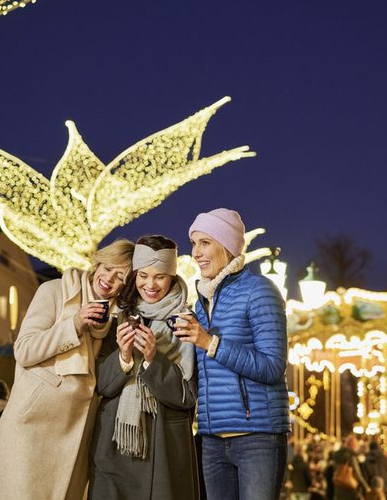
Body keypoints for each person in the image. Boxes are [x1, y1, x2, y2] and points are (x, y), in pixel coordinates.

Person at [0, 238, 134, 500]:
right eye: (108, 268)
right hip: (31, 427)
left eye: (120, 276)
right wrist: (74, 324)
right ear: (98, 263)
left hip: (75, 433)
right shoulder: (54, 291)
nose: (109, 279)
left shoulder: (112, 320)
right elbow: (24, 350)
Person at [175, 208, 289, 500]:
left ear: (226, 246)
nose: (196, 253)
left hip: (258, 438)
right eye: (194, 243)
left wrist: (210, 343)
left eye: (205, 243)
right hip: (212, 440)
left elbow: (273, 366)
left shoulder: (259, 290)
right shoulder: (201, 303)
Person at [89, 235, 199, 499]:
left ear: (172, 277)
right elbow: (101, 384)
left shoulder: (185, 321)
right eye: (143, 276)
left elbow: (187, 395)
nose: (150, 285)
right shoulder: (119, 316)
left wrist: (152, 358)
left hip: (162, 449)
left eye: (160, 276)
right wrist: (124, 354)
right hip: (114, 446)